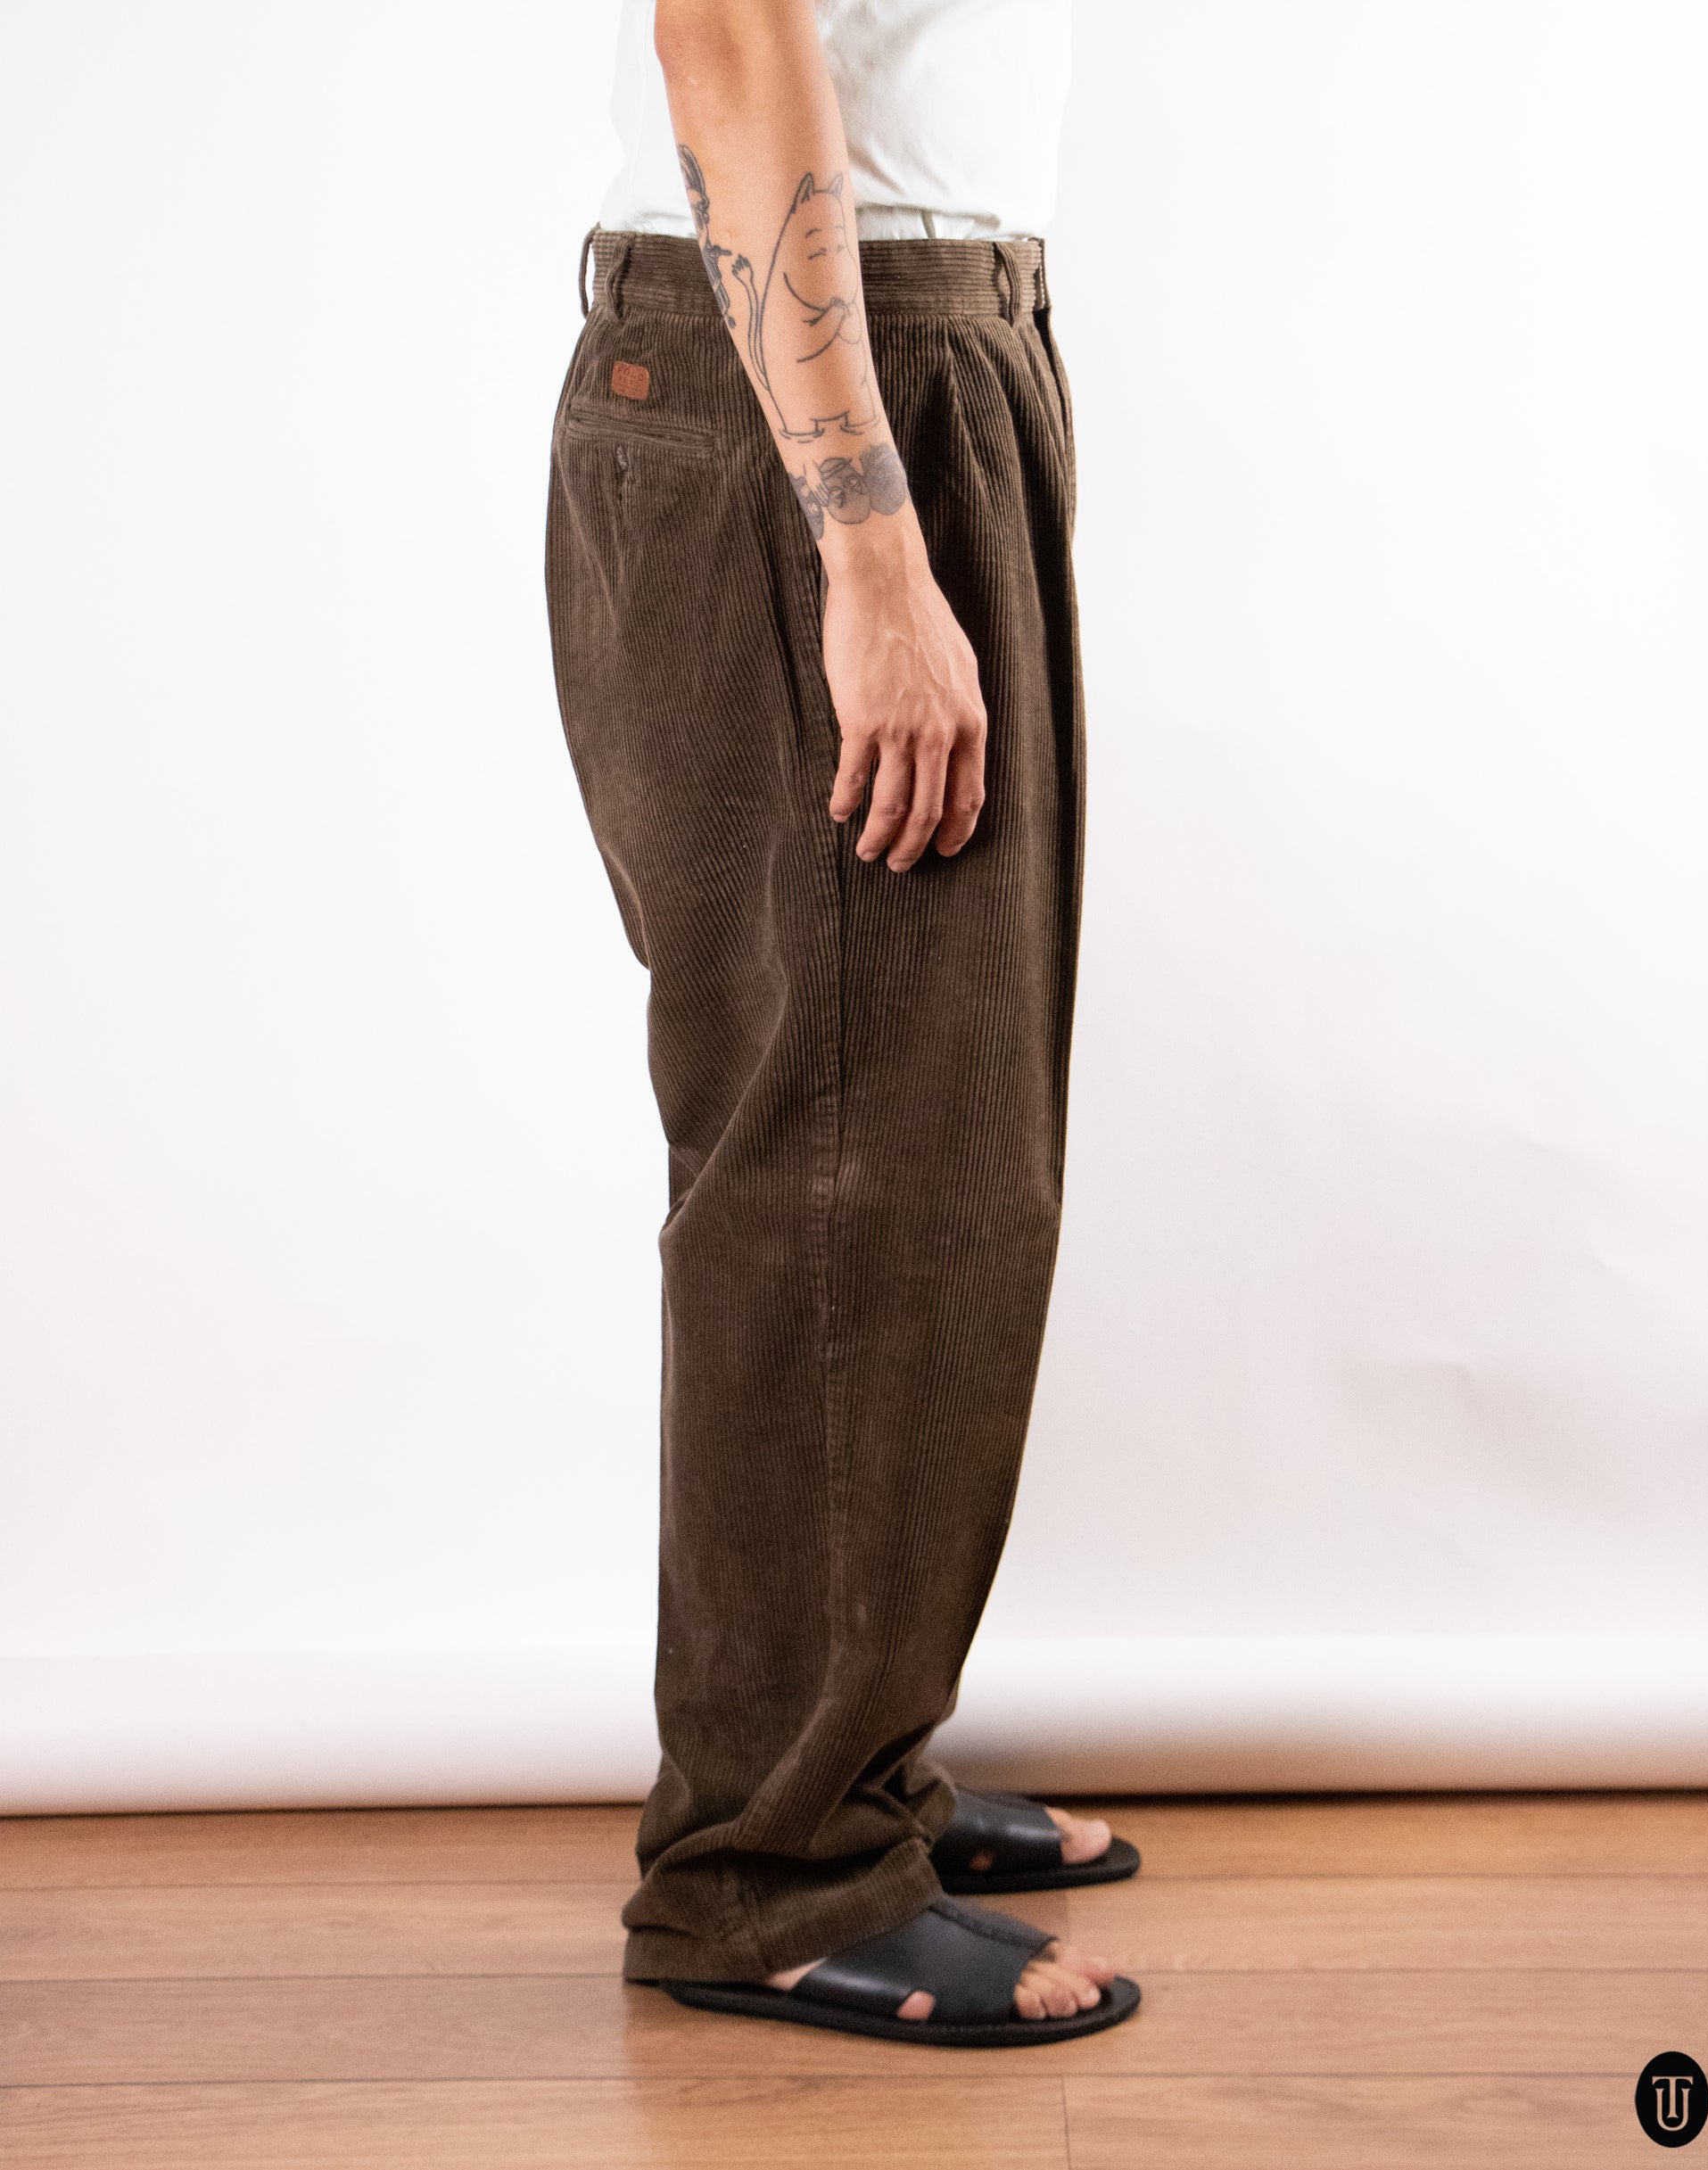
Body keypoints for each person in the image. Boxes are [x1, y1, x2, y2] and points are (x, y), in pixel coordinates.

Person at [545, 0, 1141, 2045]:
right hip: (814, 383)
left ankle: (845, 1768)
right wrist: (870, 541)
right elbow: (724, 33)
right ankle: (771, 1868)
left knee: (935, 1152)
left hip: (908, 353)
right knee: (837, 1169)